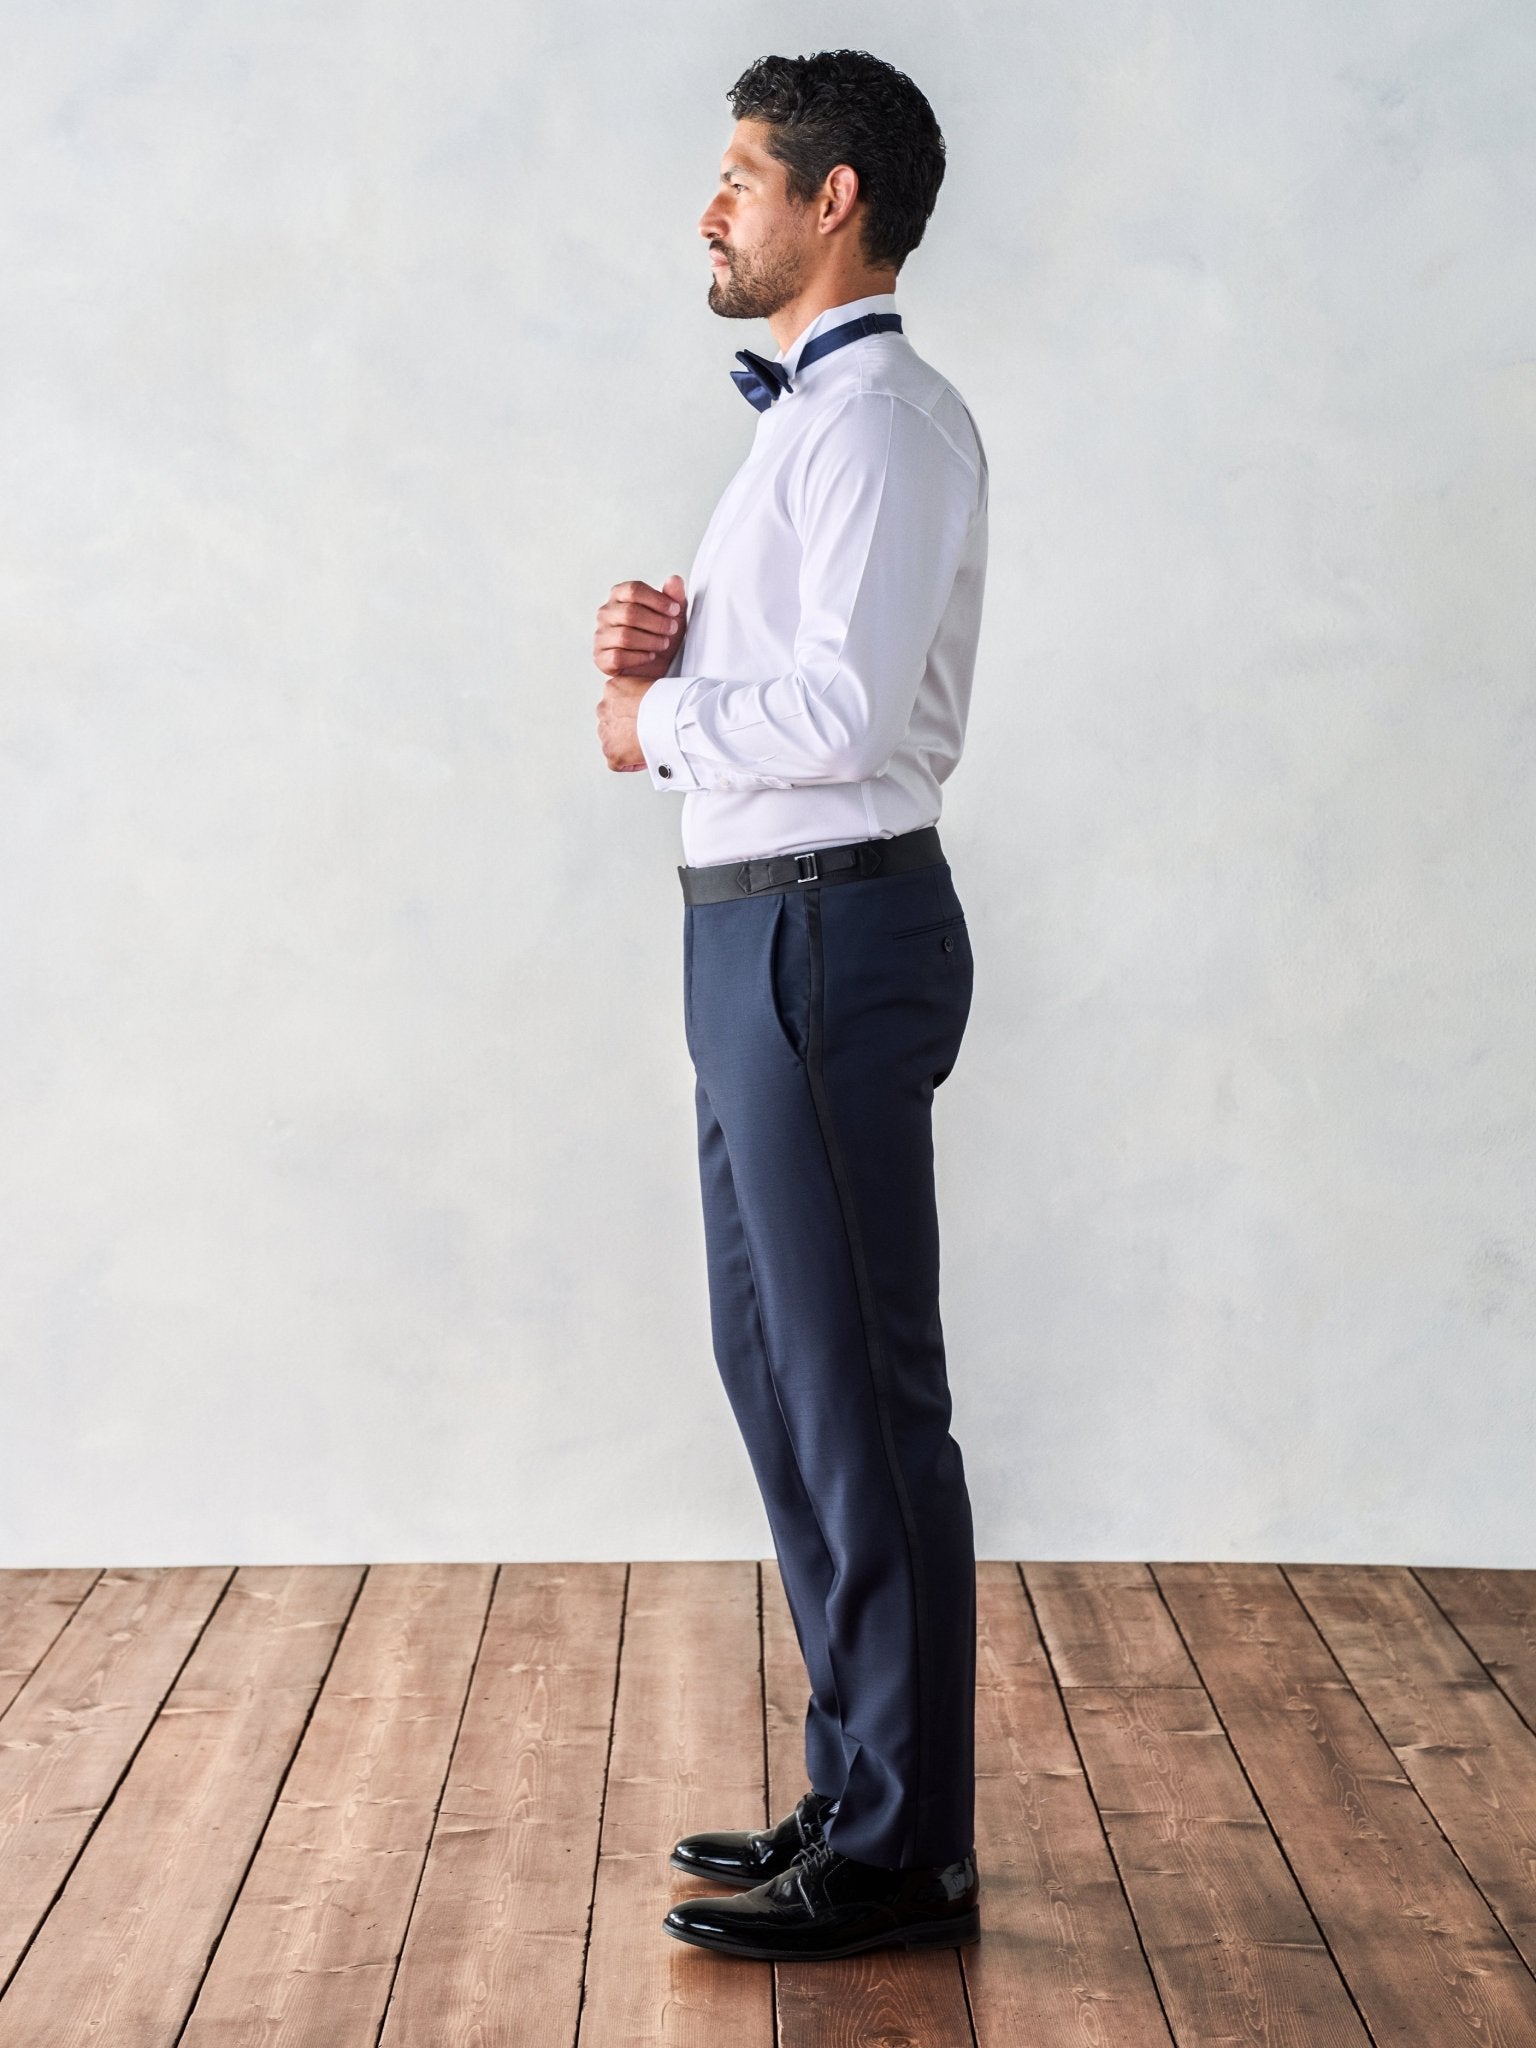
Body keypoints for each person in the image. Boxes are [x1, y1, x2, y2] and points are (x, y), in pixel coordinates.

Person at [592, 48, 989, 1963]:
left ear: (836, 203)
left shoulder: (885, 425)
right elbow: (793, 684)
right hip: (754, 930)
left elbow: (843, 721)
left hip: (829, 936)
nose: (712, 207)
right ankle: (858, 1791)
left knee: (860, 1393)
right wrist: (667, 657)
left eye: (742, 175)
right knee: (779, 1379)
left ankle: (909, 1852)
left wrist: (651, 721)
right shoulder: (803, 432)